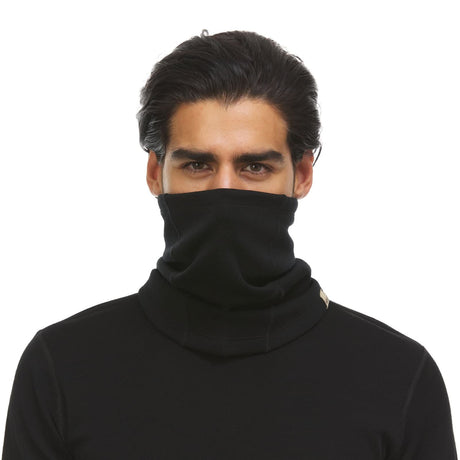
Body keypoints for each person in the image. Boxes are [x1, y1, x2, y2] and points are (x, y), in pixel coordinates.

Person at [1, 29, 457, 459]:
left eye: (254, 167)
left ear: (302, 175)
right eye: (197, 165)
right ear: (155, 173)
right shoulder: (61, 368)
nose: (224, 190)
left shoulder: (398, 378)